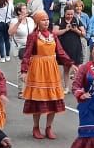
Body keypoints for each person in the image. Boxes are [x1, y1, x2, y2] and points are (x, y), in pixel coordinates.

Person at [20, 11, 76, 139]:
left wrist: (70, 63)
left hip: (51, 68)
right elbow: (27, 54)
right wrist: (24, 70)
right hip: (38, 69)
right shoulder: (33, 36)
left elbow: (60, 52)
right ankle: (36, 127)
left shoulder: (53, 36)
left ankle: (49, 127)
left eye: (47, 19)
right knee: (38, 99)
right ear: (37, 22)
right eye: (43, 20)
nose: (46, 22)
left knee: (53, 99)